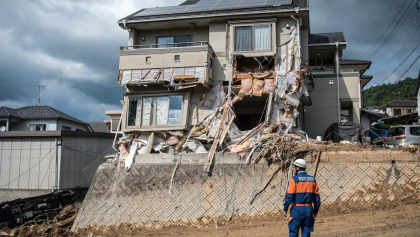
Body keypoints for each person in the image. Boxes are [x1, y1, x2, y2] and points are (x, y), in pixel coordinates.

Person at [283, 159, 321, 237]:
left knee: (293, 232)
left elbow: (290, 196)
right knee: (306, 233)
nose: (293, 169)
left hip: (297, 210)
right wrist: (316, 210)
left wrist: (285, 208)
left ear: (298, 168)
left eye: (294, 167)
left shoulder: (294, 180)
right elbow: (317, 198)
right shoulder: (313, 180)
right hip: (309, 210)